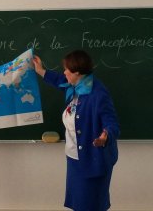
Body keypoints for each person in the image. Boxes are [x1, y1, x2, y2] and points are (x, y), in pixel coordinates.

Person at [33, 50, 119, 211]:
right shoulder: (75, 85)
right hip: (74, 158)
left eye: (67, 69)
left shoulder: (98, 94)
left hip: (93, 158)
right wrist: (40, 70)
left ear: (77, 72)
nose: (64, 72)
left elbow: (111, 122)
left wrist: (106, 135)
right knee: (79, 203)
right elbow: (60, 80)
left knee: (91, 204)